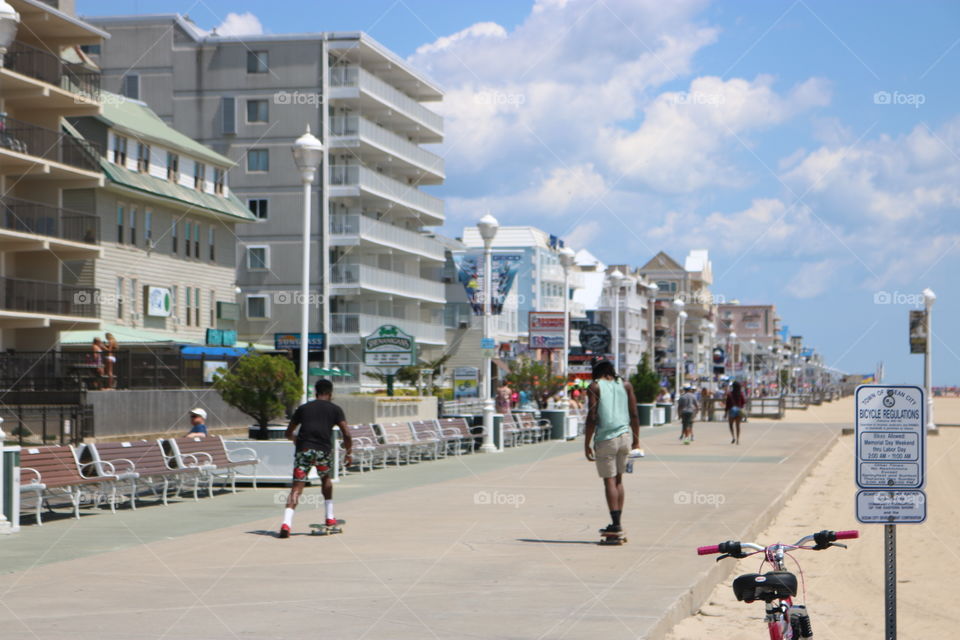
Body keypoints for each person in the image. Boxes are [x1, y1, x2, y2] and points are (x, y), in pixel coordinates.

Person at [279, 379, 353, 538]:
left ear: (315, 392)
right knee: (326, 479)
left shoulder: (303, 408)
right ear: (331, 394)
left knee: (297, 487)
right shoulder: (335, 409)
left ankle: (286, 523)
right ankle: (329, 517)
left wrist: (296, 441)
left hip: (304, 450)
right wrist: (349, 452)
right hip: (323, 451)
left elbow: (288, 432)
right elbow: (346, 433)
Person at [584, 360, 641, 537]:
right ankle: (618, 522)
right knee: (619, 480)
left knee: (609, 481)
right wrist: (636, 441)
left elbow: (592, 416)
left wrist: (587, 442)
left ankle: (615, 523)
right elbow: (634, 414)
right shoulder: (626, 385)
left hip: (606, 439)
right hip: (625, 436)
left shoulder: (595, 386)